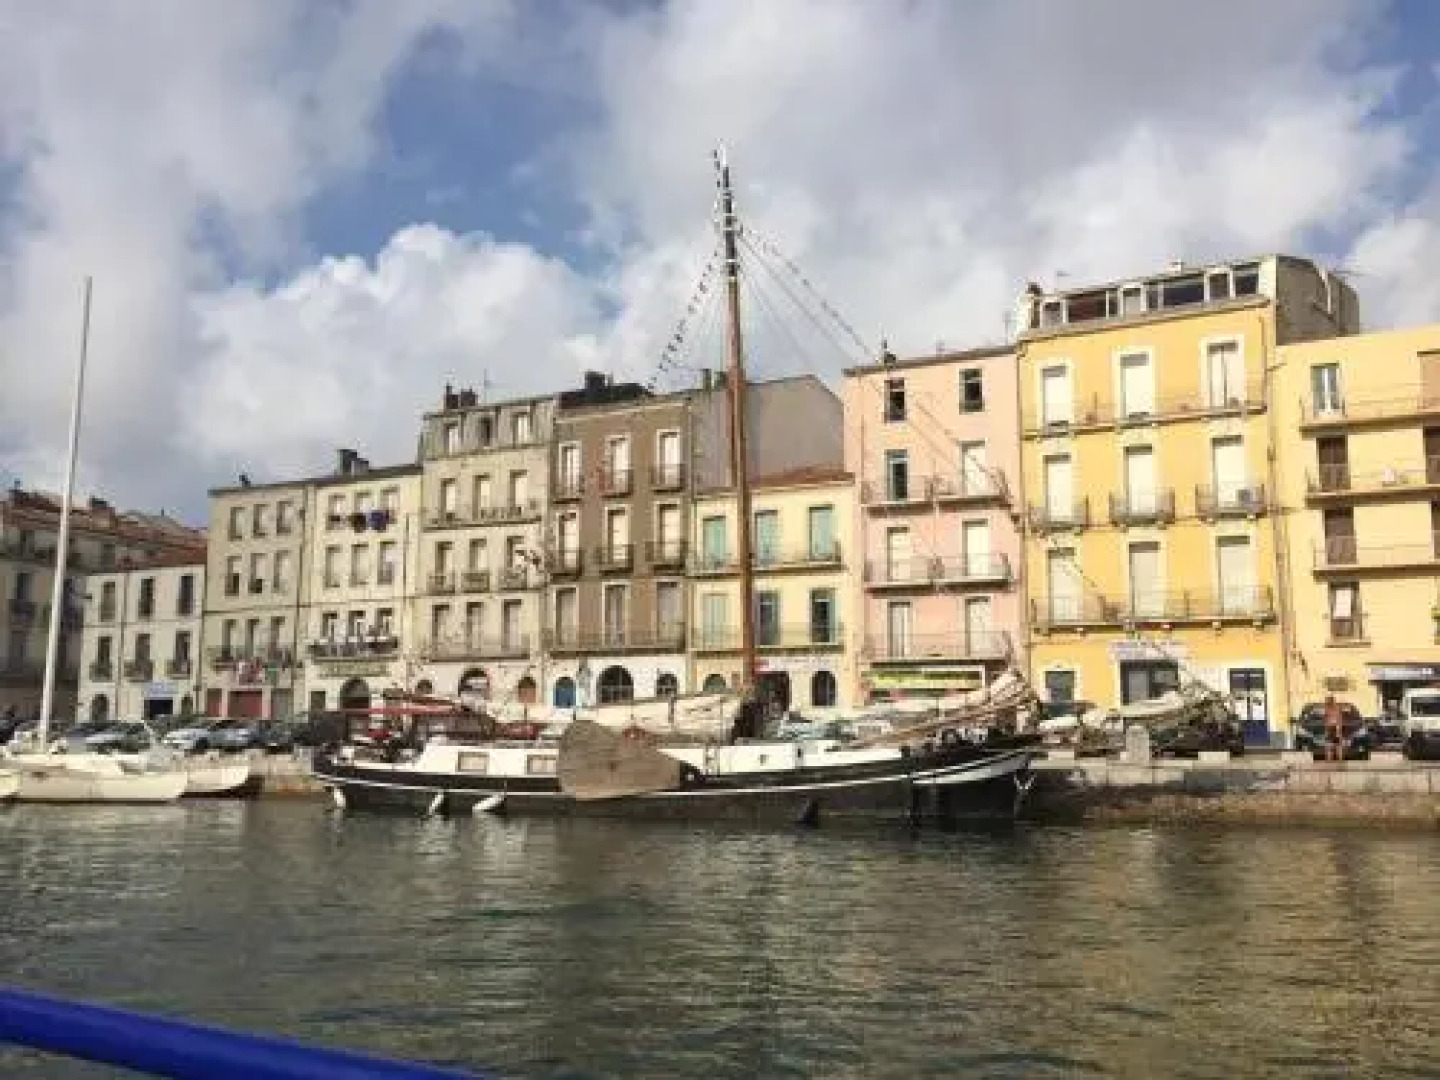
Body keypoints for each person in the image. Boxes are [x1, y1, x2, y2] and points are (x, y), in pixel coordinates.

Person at [1324, 695, 1343, 761]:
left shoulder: (1333, 709)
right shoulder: (1328, 709)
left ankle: (1335, 760)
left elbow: (1338, 719)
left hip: (1334, 728)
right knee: (1332, 746)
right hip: (1332, 728)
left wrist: (1338, 729)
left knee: (1335, 746)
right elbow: (1326, 720)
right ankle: (1333, 760)